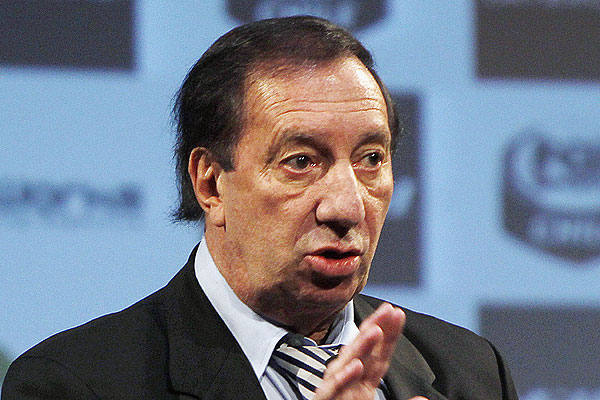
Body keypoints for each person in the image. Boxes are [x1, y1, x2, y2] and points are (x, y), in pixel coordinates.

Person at [2, 16, 518, 400]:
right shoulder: (74, 383)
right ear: (211, 183)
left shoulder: (470, 373)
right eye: (301, 161)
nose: (347, 206)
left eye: (371, 159)